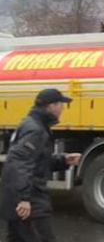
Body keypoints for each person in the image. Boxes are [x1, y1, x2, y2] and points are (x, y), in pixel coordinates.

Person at [0, 89, 81, 242]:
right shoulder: (36, 130)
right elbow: (20, 162)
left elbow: (36, 161)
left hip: (19, 196)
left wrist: (63, 161)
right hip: (30, 199)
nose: (63, 108)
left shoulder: (33, 124)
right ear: (50, 106)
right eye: (60, 104)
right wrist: (23, 198)